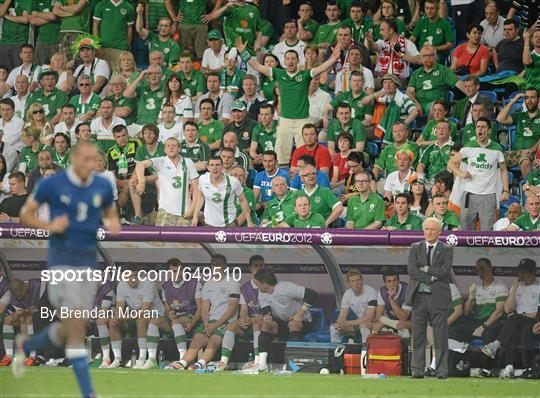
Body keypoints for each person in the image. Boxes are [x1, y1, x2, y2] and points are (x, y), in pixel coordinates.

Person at [16, 141, 120, 397]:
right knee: (76, 327)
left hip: (88, 264)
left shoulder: (102, 184)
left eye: (94, 159)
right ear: (73, 159)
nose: (91, 164)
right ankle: (89, 393)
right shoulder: (52, 184)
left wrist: (113, 223)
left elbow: (111, 214)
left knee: (70, 328)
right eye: (85, 159)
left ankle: (29, 344)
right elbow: (25, 215)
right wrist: (50, 226)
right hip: (62, 263)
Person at [236, 36, 342, 168]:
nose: (290, 61)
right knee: (281, 157)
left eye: (293, 59)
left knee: (306, 157)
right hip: (285, 120)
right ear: (284, 61)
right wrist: (243, 53)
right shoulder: (278, 73)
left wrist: (334, 58)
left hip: (302, 120)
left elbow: (321, 68)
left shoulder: (305, 75)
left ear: (298, 61)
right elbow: (257, 66)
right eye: (288, 59)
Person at [172, 254, 241, 371]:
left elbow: (232, 309)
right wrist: (206, 322)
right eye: (213, 264)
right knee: (197, 340)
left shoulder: (233, 283)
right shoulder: (208, 284)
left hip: (226, 321)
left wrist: (215, 325)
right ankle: (182, 363)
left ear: (225, 266)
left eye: (218, 264)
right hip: (210, 321)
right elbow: (204, 307)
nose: (215, 267)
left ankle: (199, 364)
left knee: (214, 341)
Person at [407, 217, 453, 379]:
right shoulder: (415, 247)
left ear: (439, 232)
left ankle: (441, 371)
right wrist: (430, 277)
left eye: (433, 229)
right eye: (427, 229)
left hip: (438, 298)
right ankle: (417, 371)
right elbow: (412, 270)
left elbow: (445, 271)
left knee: (440, 337)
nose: (429, 232)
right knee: (418, 336)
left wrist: (426, 269)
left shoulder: (447, 249)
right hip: (419, 298)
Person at [482, 259, 539, 379]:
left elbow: (536, 313)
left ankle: (495, 345)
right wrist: (514, 289)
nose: (520, 275)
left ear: (532, 273)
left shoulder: (538, 287)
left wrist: (522, 316)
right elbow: (507, 309)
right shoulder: (517, 286)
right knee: (513, 328)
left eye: (524, 272)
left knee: (515, 319)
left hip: (533, 321)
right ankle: (509, 367)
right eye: (519, 271)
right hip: (518, 322)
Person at [449, 117, 509, 231]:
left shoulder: (497, 149)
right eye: (478, 127)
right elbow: (451, 162)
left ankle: (483, 250)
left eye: (483, 126)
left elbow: (503, 170)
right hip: (469, 194)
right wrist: (461, 173)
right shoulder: (469, 146)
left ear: (489, 130)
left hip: (488, 195)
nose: (480, 129)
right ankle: (467, 250)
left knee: (487, 232)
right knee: (466, 230)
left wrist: (506, 190)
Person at [255, 268, 317, 372]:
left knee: (293, 324)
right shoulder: (262, 292)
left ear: (264, 284)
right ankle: (262, 365)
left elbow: (312, 294)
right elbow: (266, 309)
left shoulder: (286, 287)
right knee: (266, 325)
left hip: (302, 321)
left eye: (257, 283)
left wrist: (299, 313)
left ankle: (291, 364)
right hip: (282, 322)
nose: (256, 285)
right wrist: (267, 316)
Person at [107, 265, 165, 369]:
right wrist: (117, 317)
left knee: (140, 320)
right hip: (134, 317)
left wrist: (124, 318)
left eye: (135, 275)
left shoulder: (148, 284)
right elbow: (119, 308)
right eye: (129, 276)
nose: (133, 279)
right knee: (113, 322)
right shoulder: (121, 285)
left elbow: (144, 311)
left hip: (156, 315)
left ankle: (142, 359)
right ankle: (117, 359)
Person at [215, 256, 266, 371]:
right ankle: (223, 362)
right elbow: (243, 311)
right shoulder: (244, 288)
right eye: (255, 266)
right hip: (250, 323)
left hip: (265, 324)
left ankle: (257, 363)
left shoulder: (269, 284)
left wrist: (253, 320)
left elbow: (270, 312)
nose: (258, 268)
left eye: (261, 265)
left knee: (257, 324)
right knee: (232, 325)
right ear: (250, 268)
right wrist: (243, 319)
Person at [135, 137, 199, 227]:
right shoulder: (160, 161)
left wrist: (192, 209)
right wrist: (142, 182)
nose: (171, 148)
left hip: (185, 212)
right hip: (165, 212)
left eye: (174, 146)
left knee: (186, 241)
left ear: (179, 149)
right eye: (168, 146)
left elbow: (196, 189)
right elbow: (140, 164)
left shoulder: (188, 162)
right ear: (165, 150)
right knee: (161, 240)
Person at [152, 258, 202, 369]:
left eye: (179, 270)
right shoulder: (166, 286)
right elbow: (166, 307)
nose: (177, 273)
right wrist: (169, 313)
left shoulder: (195, 283)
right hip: (174, 321)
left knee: (176, 322)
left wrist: (193, 324)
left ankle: (183, 359)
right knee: (154, 321)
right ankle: (150, 359)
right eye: (174, 271)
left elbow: (200, 308)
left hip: (191, 318)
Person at [449, 258, 507, 348]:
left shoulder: (500, 286)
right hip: (479, 321)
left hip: (495, 322)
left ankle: (488, 360)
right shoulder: (477, 288)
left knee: (488, 334)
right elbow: (467, 311)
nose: (480, 272)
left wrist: (484, 326)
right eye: (478, 270)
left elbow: (499, 312)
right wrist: (471, 296)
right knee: (453, 331)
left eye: (482, 268)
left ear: (490, 268)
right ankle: (462, 357)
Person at [191, 156, 254, 227]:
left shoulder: (233, 181)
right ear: (208, 167)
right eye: (212, 165)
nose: (215, 168)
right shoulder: (202, 179)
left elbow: (242, 200)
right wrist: (195, 216)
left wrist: (249, 221)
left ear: (222, 167)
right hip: (209, 223)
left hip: (229, 223)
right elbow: (200, 197)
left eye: (217, 165)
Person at [407, 45, 466, 116]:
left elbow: (458, 83)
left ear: (435, 56)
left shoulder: (444, 70)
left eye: (431, 55)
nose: (428, 58)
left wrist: (472, 95)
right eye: (425, 56)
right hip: (420, 104)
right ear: (421, 57)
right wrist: (415, 102)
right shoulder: (416, 73)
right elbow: (409, 92)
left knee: (435, 107)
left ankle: (429, 126)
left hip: (437, 103)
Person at [361, 74, 418, 144]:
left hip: (400, 130)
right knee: (359, 131)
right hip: (382, 127)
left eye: (390, 82)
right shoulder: (382, 97)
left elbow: (414, 112)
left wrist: (403, 124)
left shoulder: (403, 98)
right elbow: (362, 102)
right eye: (385, 82)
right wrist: (374, 95)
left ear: (396, 85)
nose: (388, 85)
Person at [497, 88, 539, 180]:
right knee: (493, 159)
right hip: (516, 153)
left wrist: (533, 148)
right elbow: (500, 119)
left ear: (538, 99)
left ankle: (529, 192)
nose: (529, 101)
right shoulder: (520, 115)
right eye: (527, 98)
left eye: (533, 97)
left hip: (532, 154)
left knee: (525, 163)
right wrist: (514, 100)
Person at [366, 18, 421, 85]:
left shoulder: (407, 43)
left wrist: (401, 55)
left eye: (382, 30)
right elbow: (374, 47)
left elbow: (419, 60)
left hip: (397, 82)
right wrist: (370, 41)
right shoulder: (382, 42)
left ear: (391, 30)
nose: (380, 33)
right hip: (381, 80)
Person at [331, 269, 377, 343]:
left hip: (374, 324)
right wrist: (340, 322)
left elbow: (368, 318)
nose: (356, 283)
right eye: (353, 281)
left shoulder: (371, 292)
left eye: (358, 280)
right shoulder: (347, 293)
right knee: (334, 328)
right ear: (349, 283)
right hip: (359, 324)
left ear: (362, 280)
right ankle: (337, 351)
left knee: (364, 327)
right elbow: (342, 315)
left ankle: (365, 350)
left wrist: (347, 323)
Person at [92, 0, 134, 72]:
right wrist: (97, 47)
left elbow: (129, 28)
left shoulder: (129, 7)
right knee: (102, 75)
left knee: (119, 77)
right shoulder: (101, 5)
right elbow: (95, 26)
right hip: (103, 48)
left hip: (120, 48)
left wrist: (127, 45)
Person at [371, 268, 411, 336]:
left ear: (398, 281)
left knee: (403, 326)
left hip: (411, 320)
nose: (392, 284)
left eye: (394, 280)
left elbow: (403, 317)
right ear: (385, 283)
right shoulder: (382, 291)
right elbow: (378, 315)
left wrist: (391, 299)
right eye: (389, 281)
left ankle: (405, 344)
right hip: (394, 322)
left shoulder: (407, 291)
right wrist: (393, 324)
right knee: (376, 326)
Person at [124, 66, 166, 130]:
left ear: (162, 76)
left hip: (157, 126)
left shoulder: (166, 89)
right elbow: (126, 94)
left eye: (156, 73)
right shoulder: (142, 88)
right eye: (150, 73)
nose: (153, 76)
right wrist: (140, 76)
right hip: (140, 125)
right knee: (126, 133)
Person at [0, 98, 24, 173]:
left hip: (13, 154)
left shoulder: (19, 122)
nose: (5, 112)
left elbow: (9, 140)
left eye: (8, 109)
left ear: (13, 110)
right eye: (3, 110)